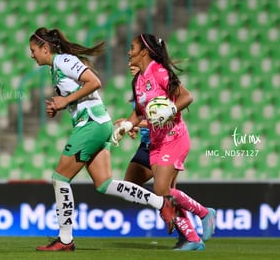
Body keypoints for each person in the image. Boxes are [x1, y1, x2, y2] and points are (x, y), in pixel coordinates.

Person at [28, 27, 177, 251]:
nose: (32, 55)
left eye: (33, 50)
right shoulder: (58, 67)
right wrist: (60, 105)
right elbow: (81, 92)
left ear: (45, 48)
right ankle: (161, 202)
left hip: (91, 124)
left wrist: (64, 102)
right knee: (104, 184)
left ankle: (65, 239)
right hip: (98, 122)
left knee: (60, 178)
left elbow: (94, 82)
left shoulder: (63, 61)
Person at [112, 34, 216, 251]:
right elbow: (140, 113)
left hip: (174, 137)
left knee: (162, 190)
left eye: (132, 48)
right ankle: (192, 238)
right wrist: (125, 127)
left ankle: (204, 214)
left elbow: (186, 97)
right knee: (141, 189)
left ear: (143, 51)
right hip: (155, 143)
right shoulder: (138, 81)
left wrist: (170, 110)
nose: (128, 52)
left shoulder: (160, 72)